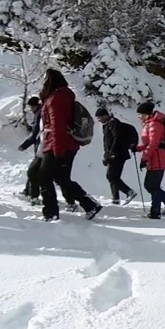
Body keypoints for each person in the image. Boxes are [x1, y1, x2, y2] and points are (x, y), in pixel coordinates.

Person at [37, 68, 102, 221]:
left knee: (44, 177)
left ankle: (51, 212)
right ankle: (89, 205)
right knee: (62, 178)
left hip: (57, 145)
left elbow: (57, 126)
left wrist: (57, 152)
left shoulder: (55, 99)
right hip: (67, 144)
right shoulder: (64, 96)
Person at [135, 100, 165, 219]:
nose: (139, 117)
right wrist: (137, 148)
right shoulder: (150, 123)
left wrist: (144, 158)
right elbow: (149, 143)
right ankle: (159, 209)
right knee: (153, 186)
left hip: (158, 158)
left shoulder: (155, 124)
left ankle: (162, 207)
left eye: (140, 114)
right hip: (154, 158)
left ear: (147, 114)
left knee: (151, 185)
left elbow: (154, 144)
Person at [95, 107, 138, 205]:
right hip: (113, 154)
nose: (99, 120)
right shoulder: (107, 125)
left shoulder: (113, 123)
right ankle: (115, 199)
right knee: (113, 176)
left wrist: (111, 153)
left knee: (111, 176)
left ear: (105, 115)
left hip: (118, 154)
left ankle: (129, 192)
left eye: (100, 118)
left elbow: (116, 138)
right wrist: (106, 155)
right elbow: (107, 142)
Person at [17, 95, 43, 205]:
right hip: (40, 147)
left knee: (34, 172)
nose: (31, 109)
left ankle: (33, 195)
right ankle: (28, 191)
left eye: (32, 106)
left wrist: (24, 145)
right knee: (33, 170)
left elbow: (35, 133)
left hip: (41, 148)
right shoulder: (41, 113)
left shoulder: (39, 114)